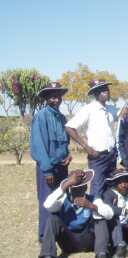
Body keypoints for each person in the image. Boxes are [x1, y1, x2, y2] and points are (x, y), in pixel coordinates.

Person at [38, 169, 114, 258]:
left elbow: (109, 213)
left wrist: (92, 206)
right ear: (69, 189)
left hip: (87, 240)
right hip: (68, 241)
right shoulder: (64, 199)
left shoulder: (92, 199)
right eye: (74, 188)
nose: (77, 191)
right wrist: (65, 185)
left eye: (80, 187)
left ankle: (102, 256)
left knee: (100, 218)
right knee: (53, 219)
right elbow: (47, 205)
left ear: (85, 187)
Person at [65, 78, 123, 198]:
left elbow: (124, 112)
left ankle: (109, 214)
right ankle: (95, 215)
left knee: (111, 187)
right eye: (102, 90)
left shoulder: (110, 109)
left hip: (111, 156)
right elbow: (69, 127)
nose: (106, 92)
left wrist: (126, 110)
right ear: (96, 94)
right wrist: (87, 147)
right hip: (97, 157)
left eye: (107, 89)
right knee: (97, 188)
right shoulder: (89, 109)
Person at [30, 82, 72, 243]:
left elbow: (64, 142)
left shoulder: (61, 117)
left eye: (58, 97)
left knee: (61, 199)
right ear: (47, 98)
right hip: (47, 169)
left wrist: (68, 155)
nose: (56, 100)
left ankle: (59, 233)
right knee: (47, 202)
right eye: (53, 97)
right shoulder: (41, 116)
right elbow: (39, 145)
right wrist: (47, 170)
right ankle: (45, 238)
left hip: (62, 167)